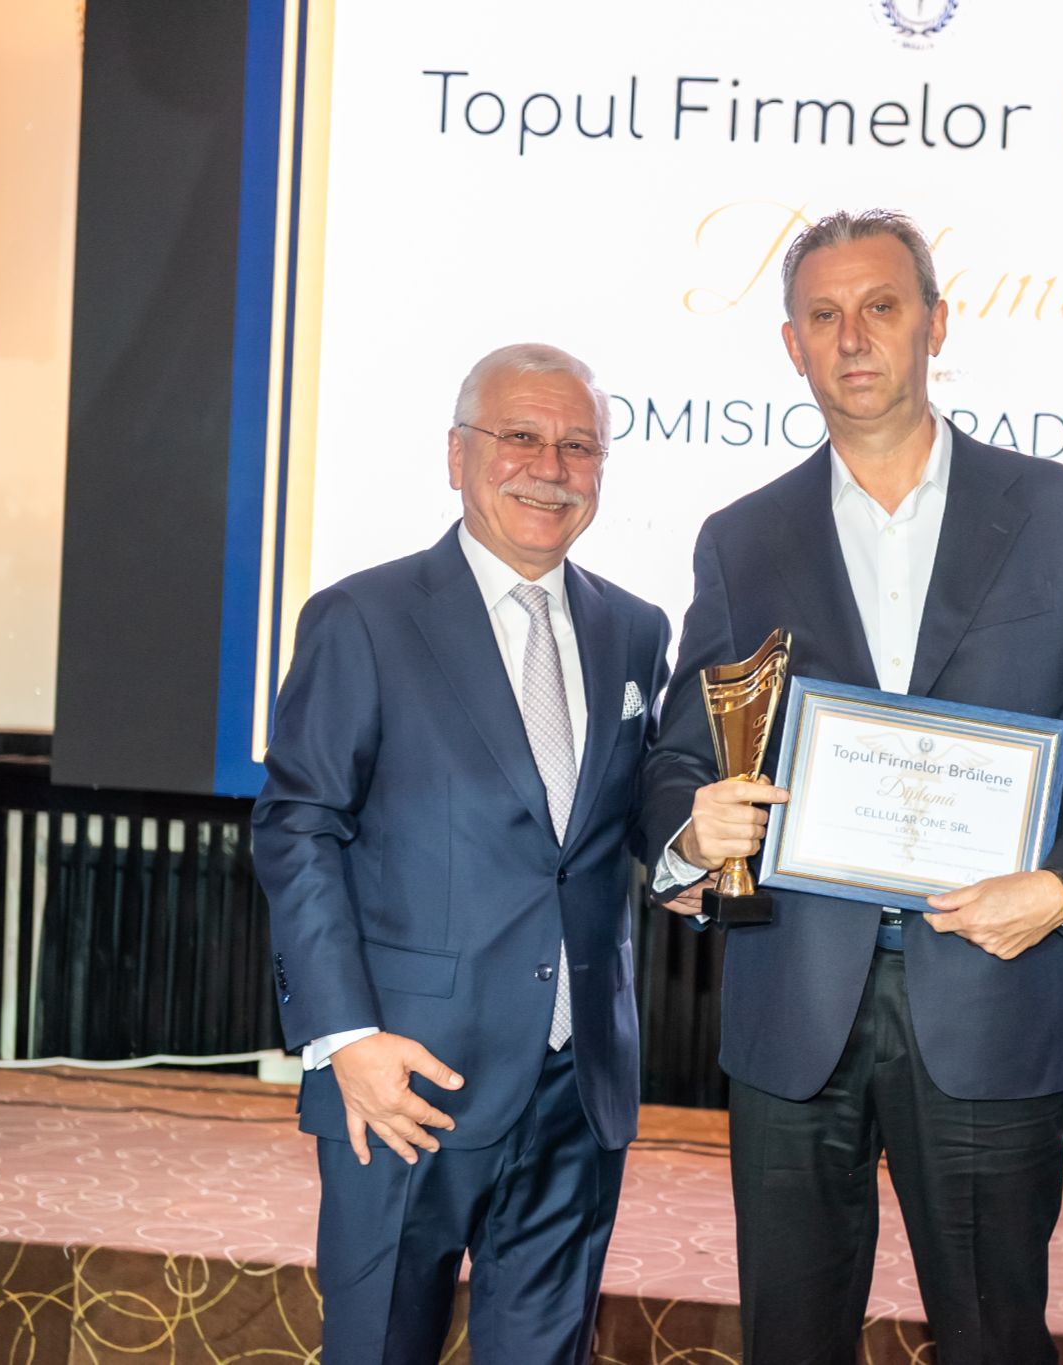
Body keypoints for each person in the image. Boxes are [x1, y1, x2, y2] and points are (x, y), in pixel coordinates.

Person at [640, 210, 1063, 1364]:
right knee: (791, 1343)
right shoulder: (742, 540)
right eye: (824, 315)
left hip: (994, 995)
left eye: (881, 307)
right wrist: (689, 834)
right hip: (795, 1001)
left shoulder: (1058, 515)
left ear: (935, 325)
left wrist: (1061, 887)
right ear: (792, 346)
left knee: (994, 1341)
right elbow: (681, 756)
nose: (854, 337)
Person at [253, 343, 671, 1364]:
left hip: (578, 1088)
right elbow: (298, 825)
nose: (551, 467)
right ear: (456, 454)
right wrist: (345, 1039)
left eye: (580, 447)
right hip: (404, 1081)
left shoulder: (636, 630)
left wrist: (700, 846)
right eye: (520, 436)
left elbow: (627, 824)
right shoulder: (363, 618)